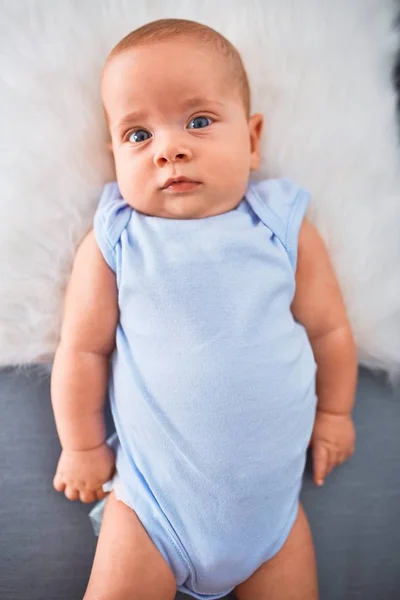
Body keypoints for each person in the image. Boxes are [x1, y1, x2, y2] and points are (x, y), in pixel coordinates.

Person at [50, 18, 357, 600]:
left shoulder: (281, 228)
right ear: (112, 152)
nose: (170, 148)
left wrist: (336, 414)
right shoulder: (116, 241)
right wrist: (81, 446)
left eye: (198, 121)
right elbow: (82, 348)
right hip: (152, 513)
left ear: (252, 138)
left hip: (273, 518)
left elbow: (331, 329)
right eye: (138, 135)